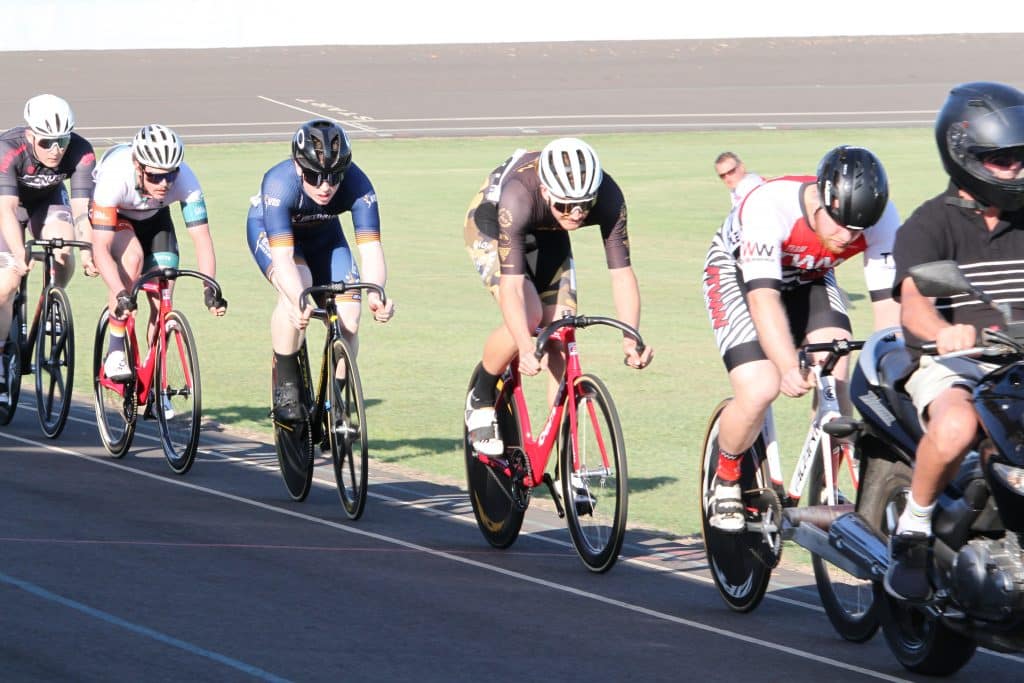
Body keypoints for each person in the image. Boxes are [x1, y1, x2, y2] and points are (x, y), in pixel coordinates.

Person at [702, 145, 900, 532]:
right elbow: (762, 297)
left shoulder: (879, 219)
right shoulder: (769, 206)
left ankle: (828, 486)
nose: (848, 236)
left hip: (811, 275)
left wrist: (889, 377)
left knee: (838, 368)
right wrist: (787, 363)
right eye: (840, 223)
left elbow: (887, 311)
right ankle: (725, 475)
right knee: (761, 386)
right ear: (820, 203)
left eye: (858, 229)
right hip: (740, 276)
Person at [885, 81, 1024, 601]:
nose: (1017, 168)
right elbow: (914, 303)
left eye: (1021, 157)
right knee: (959, 422)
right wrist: (945, 333)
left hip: (1019, 363)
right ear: (964, 155)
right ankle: (915, 529)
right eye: (1004, 158)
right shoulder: (928, 224)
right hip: (959, 364)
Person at [463, 137, 654, 458]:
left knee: (562, 330)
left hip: (549, 234)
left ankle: (564, 456)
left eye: (584, 205)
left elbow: (622, 273)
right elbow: (511, 287)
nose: (576, 215)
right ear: (546, 191)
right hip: (495, 224)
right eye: (566, 205)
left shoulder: (609, 198)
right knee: (530, 317)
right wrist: (524, 346)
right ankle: (481, 395)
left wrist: (630, 337)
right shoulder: (519, 195)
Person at [247, 119, 394, 423]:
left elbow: (371, 250)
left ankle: (335, 401)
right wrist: (297, 299)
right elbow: (284, 258)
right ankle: (287, 383)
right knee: (298, 287)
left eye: (334, 176)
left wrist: (377, 292)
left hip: (325, 237)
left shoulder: (359, 184)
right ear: (298, 167)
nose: (325, 187)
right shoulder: (278, 184)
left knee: (350, 319)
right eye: (314, 177)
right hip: (274, 234)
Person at [90, 124, 226, 383]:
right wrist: (121, 293)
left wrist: (210, 289)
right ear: (138, 166)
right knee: (131, 259)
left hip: (155, 219)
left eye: (170, 175)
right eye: (154, 176)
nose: (164, 184)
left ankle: (155, 380)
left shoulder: (186, 179)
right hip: (118, 217)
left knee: (164, 294)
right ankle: (115, 348)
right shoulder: (115, 178)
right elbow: (101, 248)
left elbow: (201, 238)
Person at [0, 94, 98, 404]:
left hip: (49, 200)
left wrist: (87, 250)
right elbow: (7, 209)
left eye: (62, 141)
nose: (56, 150)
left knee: (63, 248)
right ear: (30, 136)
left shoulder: (81, 152)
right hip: (7, 206)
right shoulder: (7, 149)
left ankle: (51, 299)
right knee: (7, 284)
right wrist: (18, 255)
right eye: (46, 143)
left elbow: (83, 208)